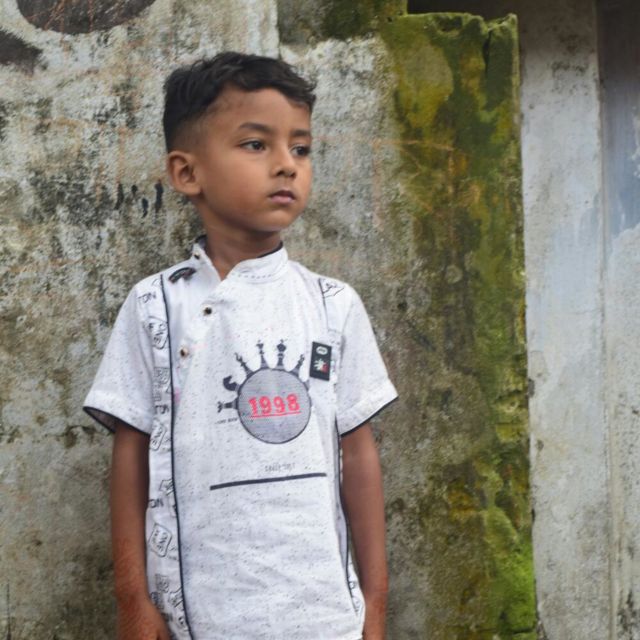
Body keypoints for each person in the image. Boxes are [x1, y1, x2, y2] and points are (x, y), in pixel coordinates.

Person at [83, 51, 398, 640]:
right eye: (256, 144)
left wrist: (375, 606)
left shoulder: (331, 305)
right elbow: (131, 456)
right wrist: (132, 599)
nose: (286, 166)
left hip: (324, 616)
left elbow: (358, 459)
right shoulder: (155, 307)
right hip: (199, 618)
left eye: (301, 148)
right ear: (187, 173)